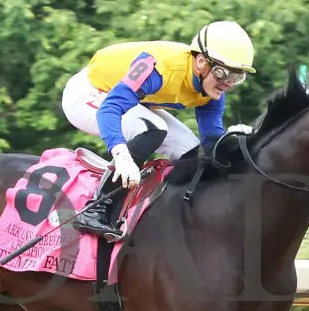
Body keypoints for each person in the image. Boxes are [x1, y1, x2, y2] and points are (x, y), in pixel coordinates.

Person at [61, 20, 256, 238]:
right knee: (152, 130)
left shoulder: (212, 89)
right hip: (90, 94)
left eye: (237, 77)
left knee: (189, 151)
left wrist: (237, 153)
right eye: (223, 74)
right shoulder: (159, 69)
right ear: (201, 62)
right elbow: (110, 109)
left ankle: (172, 213)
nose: (228, 83)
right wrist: (122, 155)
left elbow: (211, 140)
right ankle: (95, 209)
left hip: (128, 100)